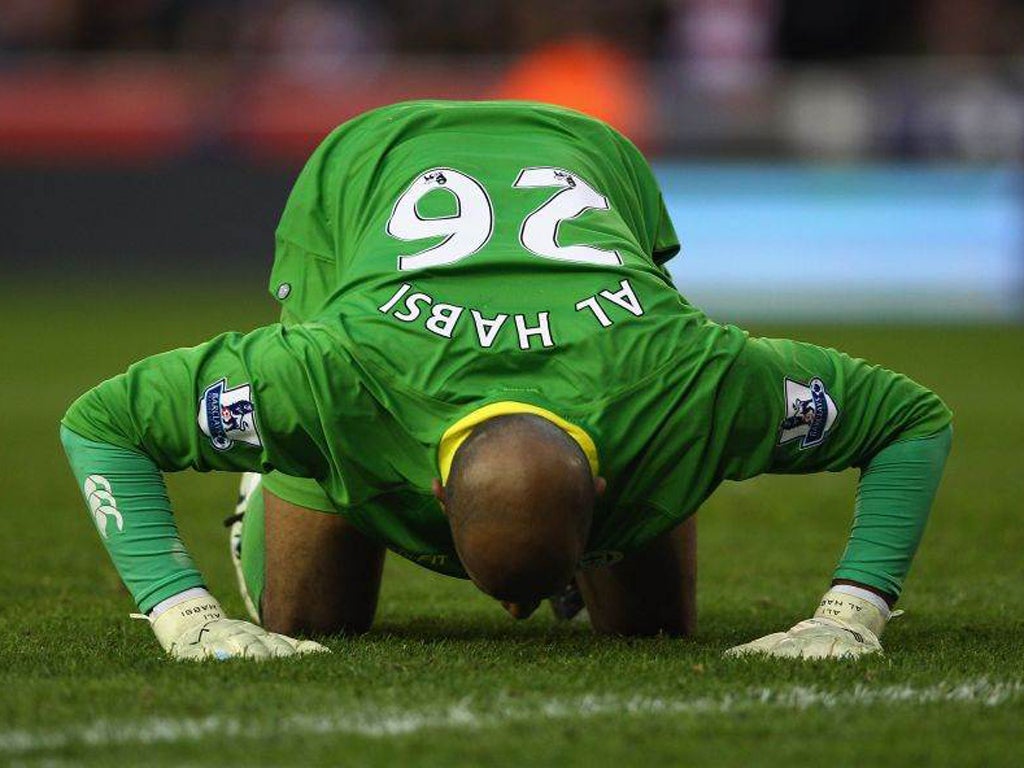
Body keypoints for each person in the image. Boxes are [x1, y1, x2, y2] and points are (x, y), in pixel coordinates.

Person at [60, 100, 952, 661]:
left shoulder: (688, 381)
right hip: (367, 163)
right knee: (311, 625)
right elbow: (99, 422)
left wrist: (851, 615)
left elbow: (911, 418)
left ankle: (564, 551)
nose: (515, 616)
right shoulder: (329, 375)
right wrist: (184, 616)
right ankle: (288, 468)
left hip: (586, 152)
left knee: (651, 641)